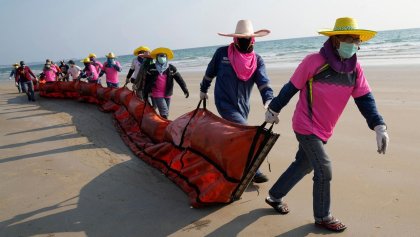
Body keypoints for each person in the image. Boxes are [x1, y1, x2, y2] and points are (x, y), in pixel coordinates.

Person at [264, 17, 390, 232]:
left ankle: (274, 196)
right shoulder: (313, 62)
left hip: (325, 129)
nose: (353, 43)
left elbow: (365, 99)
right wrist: (274, 109)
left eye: (356, 39)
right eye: (347, 38)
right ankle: (323, 216)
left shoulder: (355, 69)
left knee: (303, 164)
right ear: (335, 40)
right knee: (324, 168)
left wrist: (379, 126)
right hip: (305, 124)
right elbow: (291, 87)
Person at [199, 19, 274, 183]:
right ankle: (254, 170)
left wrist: (269, 101)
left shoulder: (257, 60)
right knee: (247, 134)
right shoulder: (222, 54)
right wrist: (203, 90)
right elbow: (209, 73)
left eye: (248, 38)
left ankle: (224, 162)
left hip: (243, 105)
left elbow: (264, 83)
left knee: (235, 136)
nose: (245, 41)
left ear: (253, 40)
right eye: (241, 38)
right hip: (224, 102)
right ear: (235, 39)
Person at [143, 47, 189, 119]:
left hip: (168, 93)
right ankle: (165, 126)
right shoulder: (151, 68)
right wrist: (145, 93)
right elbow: (147, 81)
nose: (162, 58)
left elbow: (179, 79)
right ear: (157, 58)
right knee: (164, 112)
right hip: (157, 93)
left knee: (166, 112)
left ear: (166, 57)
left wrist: (185, 89)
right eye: (160, 56)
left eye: (163, 56)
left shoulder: (171, 68)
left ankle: (162, 124)